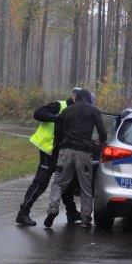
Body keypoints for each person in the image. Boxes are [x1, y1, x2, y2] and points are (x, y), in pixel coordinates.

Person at [15, 89, 85, 226]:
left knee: (67, 183)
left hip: (64, 154)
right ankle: (23, 213)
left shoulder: (79, 111)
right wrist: (55, 118)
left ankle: (71, 213)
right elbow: (38, 113)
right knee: (41, 183)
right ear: (74, 97)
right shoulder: (59, 105)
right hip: (49, 152)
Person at [45, 88, 108, 228]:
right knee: (85, 186)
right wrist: (98, 142)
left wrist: (60, 144)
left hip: (66, 150)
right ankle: (85, 219)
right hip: (84, 152)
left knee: (58, 182)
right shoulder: (94, 111)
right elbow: (102, 133)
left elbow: (58, 131)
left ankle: (52, 210)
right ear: (88, 99)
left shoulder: (66, 110)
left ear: (77, 98)